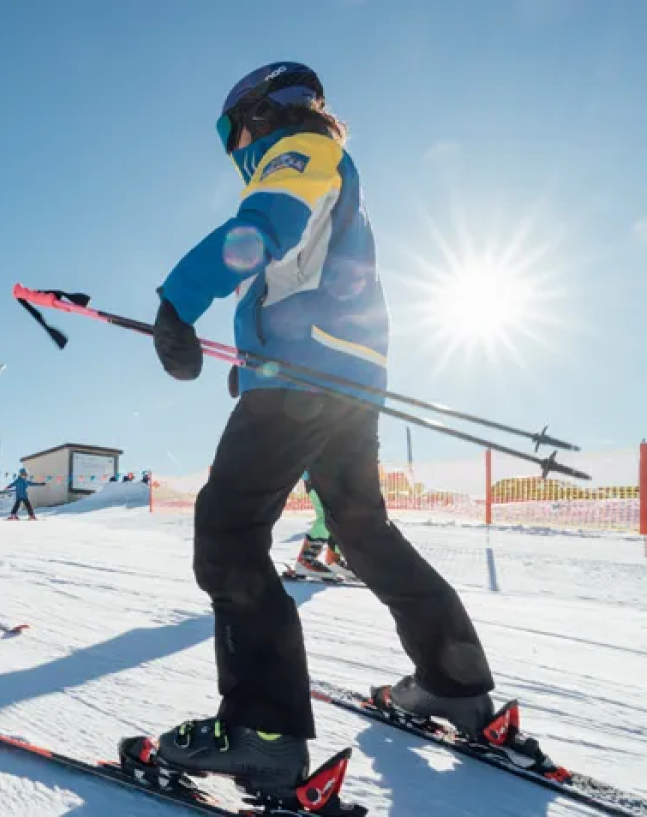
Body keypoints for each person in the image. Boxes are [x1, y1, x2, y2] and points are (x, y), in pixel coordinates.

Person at [148, 62, 495, 797]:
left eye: (233, 131)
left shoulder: (298, 151)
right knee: (363, 530)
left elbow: (259, 231)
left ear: (257, 115)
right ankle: (453, 681)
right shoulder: (333, 166)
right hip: (344, 381)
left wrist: (178, 302)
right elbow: (306, 280)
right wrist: (259, 358)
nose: (235, 146)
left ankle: (263, 732)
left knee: (230, 527)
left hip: (306, 382)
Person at [293, 472, 357, 580]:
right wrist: (308, 475)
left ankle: (333, 558)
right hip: (316, 476)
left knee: (337, 517)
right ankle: (305, 560)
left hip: (330, 476)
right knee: (325, 517)